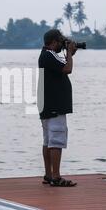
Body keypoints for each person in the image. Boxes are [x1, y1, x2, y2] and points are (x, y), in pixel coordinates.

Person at [38, 29, 77, 187]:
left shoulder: (46, 55)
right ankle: (56, 176)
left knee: (48, 140)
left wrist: (69, 54)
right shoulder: (50, 54)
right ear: (53, 42)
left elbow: (62, 66)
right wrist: (68, 52)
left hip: (47, 103)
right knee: (56, 140)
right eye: (60, 41)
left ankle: (49, 174)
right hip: (54, 104)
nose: (62, 44)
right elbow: (68, 69)